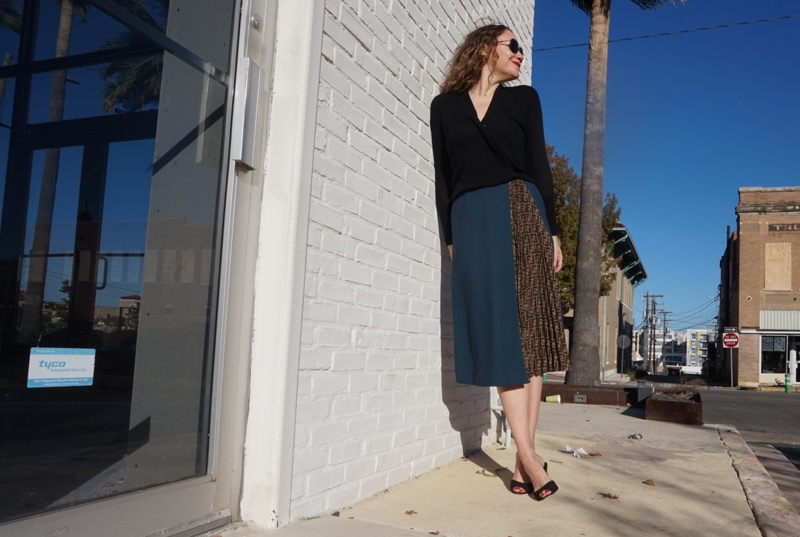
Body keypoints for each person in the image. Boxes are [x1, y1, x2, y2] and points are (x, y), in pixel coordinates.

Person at [430, 23, 569, 501]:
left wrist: (552, 230)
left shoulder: (524, 99)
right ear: (485, 47)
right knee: (501, 335)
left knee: (527, 336)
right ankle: (530, 457)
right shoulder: (444, 107)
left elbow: (540, 167)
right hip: (471, 219)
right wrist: (450, 237)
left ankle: (523, 456)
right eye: (513, 46)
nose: (520, 54)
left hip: (522, 209)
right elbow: (443, 179)